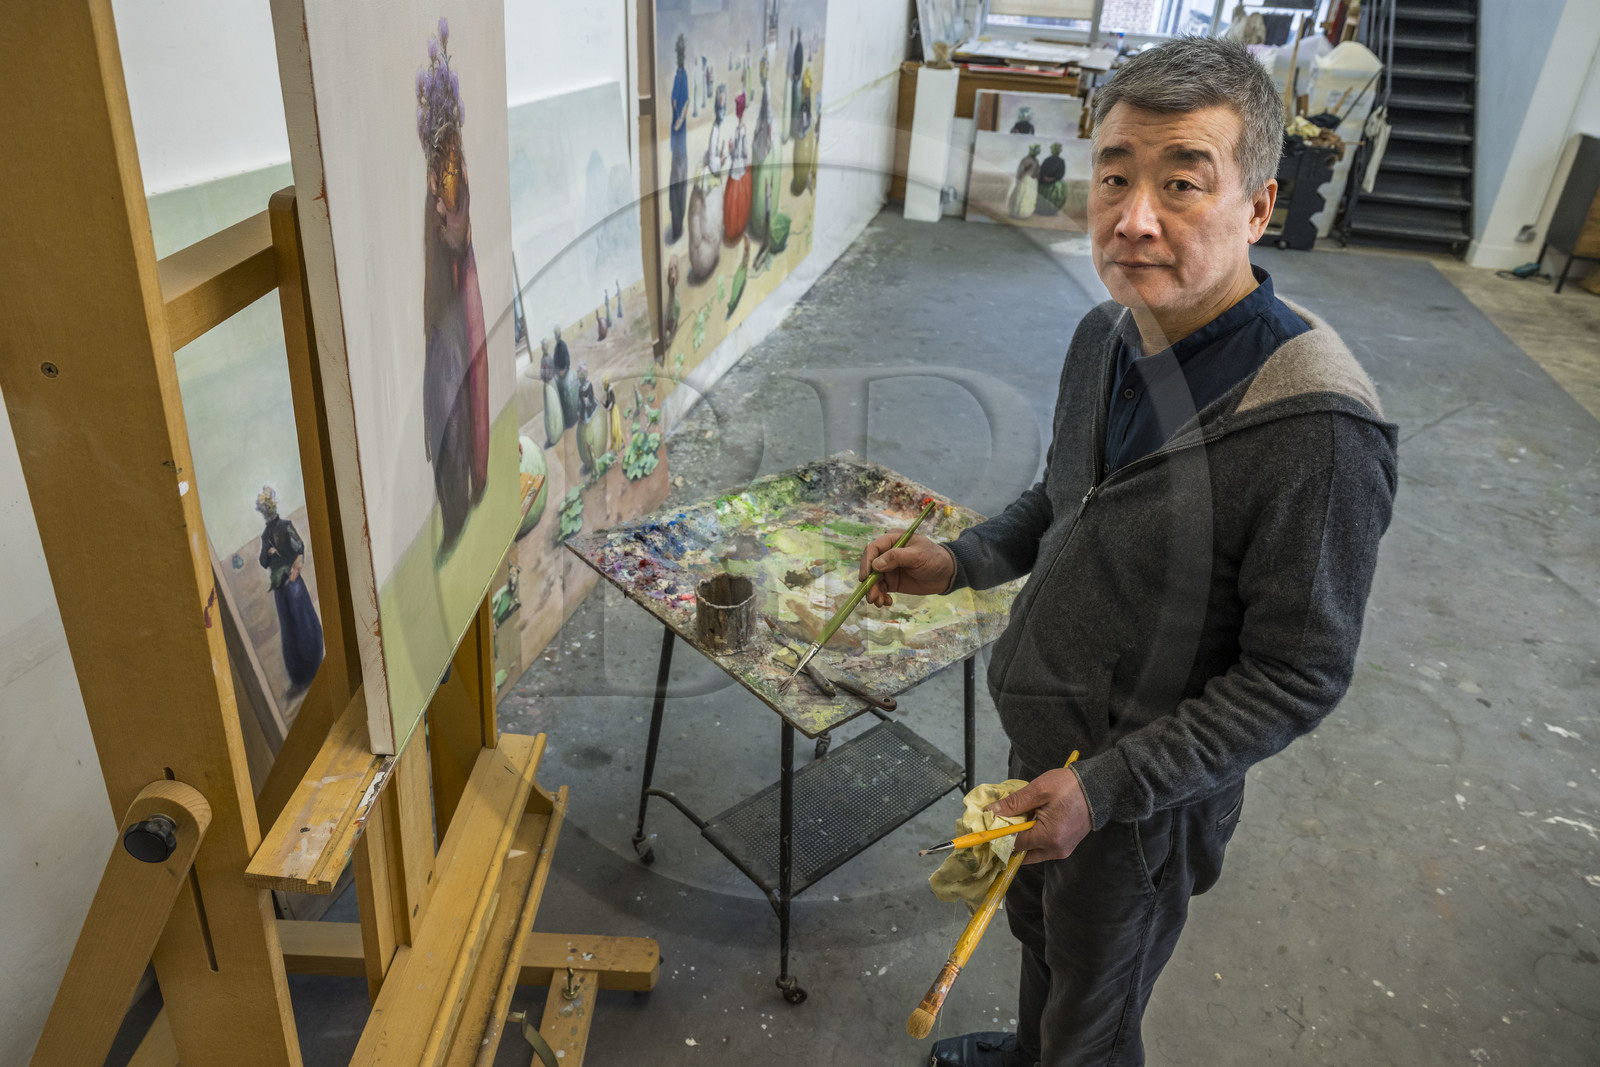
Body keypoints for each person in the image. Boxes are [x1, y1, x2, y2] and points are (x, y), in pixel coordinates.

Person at [860, 37, 1397, 1067]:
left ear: (1257, 206)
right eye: (1114, 175)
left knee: (1092, 1016)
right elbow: (1069, 501)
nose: (1132, 217)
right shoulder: (1110, 332)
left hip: (1143, 801)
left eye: (1182, 183)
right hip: (1051, 739)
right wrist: (960, 560)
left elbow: (1298, 672)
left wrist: (1109, 789)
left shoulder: (1316, 432)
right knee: (1035, 935)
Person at [255, 486, 324, 699]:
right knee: (291, 631)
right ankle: (300, 678)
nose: (266, 511)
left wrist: (295, 569)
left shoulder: (284, 526)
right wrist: (268, 553)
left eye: (267, 508)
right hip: (281, 590)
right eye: (264, 508)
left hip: (292, 585)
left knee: (302, 624)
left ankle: (315, 668)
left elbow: (299, 548)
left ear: (271, 508)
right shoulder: (266, 534)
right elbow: (263, 562)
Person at [668, 34, 690, 243]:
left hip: (680, 141)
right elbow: (676, 103)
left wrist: (680, 120)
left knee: (679, 182)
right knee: (674, 184)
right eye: (678, 54)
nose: (679, 57)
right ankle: (676, 225)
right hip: (676, 140)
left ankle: (678, 225)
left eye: (680, 53)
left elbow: (686, 102)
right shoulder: (677, 76)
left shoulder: (683, 78)